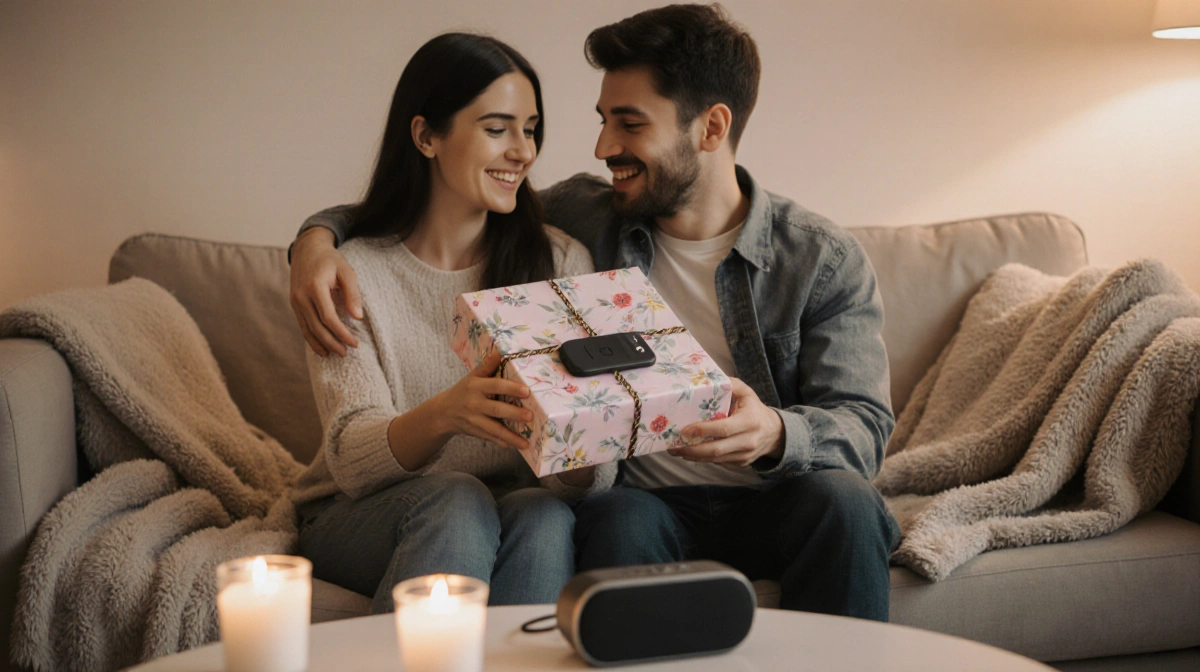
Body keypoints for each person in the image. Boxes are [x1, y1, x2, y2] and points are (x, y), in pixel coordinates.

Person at [291, 4, 899, 620]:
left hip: (777, 497)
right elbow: (433, 203)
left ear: (712, 128)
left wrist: (774, 432)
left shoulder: (820, 259)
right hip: (643, 505)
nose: (603, 146)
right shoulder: (589, 220)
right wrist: (316, 240)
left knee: (846, 502)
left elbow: (866, 425)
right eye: (603, 120)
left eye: (629, 124)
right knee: (609, 516)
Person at [288, 32, 615, 614]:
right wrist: (448, 414)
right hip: (360, 512)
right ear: (426, 136)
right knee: (458, 498)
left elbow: (598, 477)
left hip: (510, 504)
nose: (523, 151)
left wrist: (585, 436)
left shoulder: (561, 263)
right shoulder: (350, 271)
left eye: (531, 129)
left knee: (543, 514)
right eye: (497, 129)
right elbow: (352, 459)